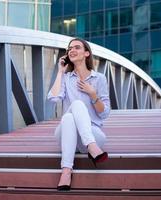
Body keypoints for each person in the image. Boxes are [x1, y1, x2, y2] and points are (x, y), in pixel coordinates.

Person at [47, 38, 111, 191]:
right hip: (67, 135)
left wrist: (93, 93)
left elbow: (105, 113)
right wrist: (60, 72)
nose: (72, 50)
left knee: (71, 113)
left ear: (86, 53)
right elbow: (54, 98)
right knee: (71, 112)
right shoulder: (67, 78)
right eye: (69, 49)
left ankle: (67, 171)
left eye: (77, 47)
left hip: (93, 131)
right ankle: (85, 154)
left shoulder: (99, 79)